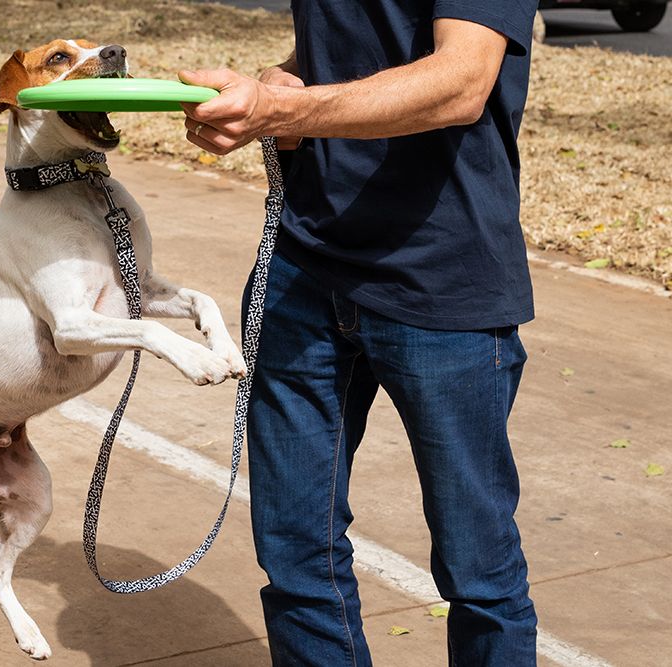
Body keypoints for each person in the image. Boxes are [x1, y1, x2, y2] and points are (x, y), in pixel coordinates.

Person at [178, 2, 540, 665]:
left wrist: (281, 110)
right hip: (303, 265)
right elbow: (342, 48)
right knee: (295, 554)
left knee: (478, 571)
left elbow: (463, 79)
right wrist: (281, 80)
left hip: (441, 276)